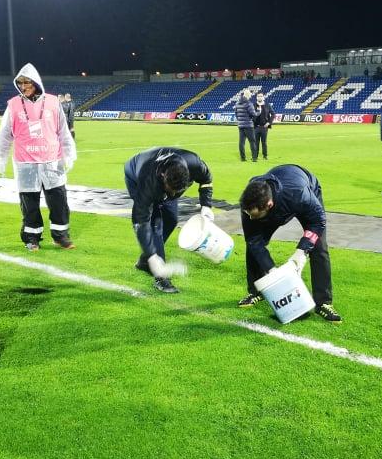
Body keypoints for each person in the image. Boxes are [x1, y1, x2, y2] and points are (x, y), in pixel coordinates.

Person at [237, 165, 342, 323]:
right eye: (248, 215)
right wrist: (272, 271)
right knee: (253, 246)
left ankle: (324, 303)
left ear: (269, 205)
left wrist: (301, 251)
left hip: (304, 191)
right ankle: (256, 292)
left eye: (255, 215)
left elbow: (318, 221)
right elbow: (253, 241)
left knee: (319, 248)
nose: (251, 219)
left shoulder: (298, 194)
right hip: (274, 202)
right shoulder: (250, 203)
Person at [0, 63, 77, 251]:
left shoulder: (54, 102)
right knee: (29, 204)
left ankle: (61, 236)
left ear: (36, 82)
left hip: (52, 161)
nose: (23, 87)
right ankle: (32, 238)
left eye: (27, 82)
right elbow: (4, 134)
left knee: (59, 202)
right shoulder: (13, 105)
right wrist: (0, 156)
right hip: (25, 163)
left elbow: (63, 131)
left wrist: (69, 152)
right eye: (20, 83)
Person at [124, 147, 214, 293]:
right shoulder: (148, 181)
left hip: (163, 181)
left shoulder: (194, 163)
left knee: (171, 220)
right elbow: (141, 222)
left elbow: (206, 179)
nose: (171, 194)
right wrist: (154, 257)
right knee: (156, 225)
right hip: (135, 176)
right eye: (170, 190)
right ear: (164, 176)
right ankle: (160, 276)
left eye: (176, 191)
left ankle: (145, 260)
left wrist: (206, 205)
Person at [235, 89, 260, 162]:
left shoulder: (237, 103)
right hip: (248, 125)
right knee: (252, 141)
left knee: (241, 142)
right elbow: (253, 114)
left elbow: (236, 114)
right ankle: (254, 158)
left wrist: (240, 121)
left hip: (240, 125)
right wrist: (258, 112)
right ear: (248, 95)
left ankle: (243, 158)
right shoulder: (249, 104)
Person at [252, 92, 275, 161]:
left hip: (264, 127)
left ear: (263, 97)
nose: (260, 97)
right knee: (256, 142)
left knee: (264, 142)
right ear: (256, 97)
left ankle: (265, 156)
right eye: (258, 96)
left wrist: (269, 123)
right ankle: (255, 157)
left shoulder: (267, 105)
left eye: (261, 96)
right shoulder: (253, 105)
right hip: (256, 127)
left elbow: (273, 114)